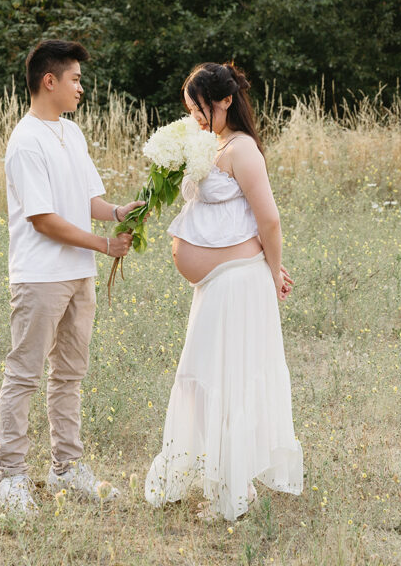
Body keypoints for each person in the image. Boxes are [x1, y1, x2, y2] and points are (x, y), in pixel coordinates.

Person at [145, 62, 303, 521]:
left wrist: (273, 271)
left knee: (226, 380)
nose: (194, 115)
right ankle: (209, 474)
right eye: (191, 108)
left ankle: (235, 491)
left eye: (201, 107)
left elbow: (268, 219)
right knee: (202, 378)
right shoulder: (211, 144)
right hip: (215, 284)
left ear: (226, 101)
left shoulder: (242, 149)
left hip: (238, 282)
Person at [0, 39, 140, 516]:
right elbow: (43, 218)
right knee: (24, 375)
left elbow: (89, 201)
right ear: (48, 81)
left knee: (70, 375)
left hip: (80, 274)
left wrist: (119, 212)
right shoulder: (25, 140)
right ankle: (11, 477)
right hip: (40, 277)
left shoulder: (71, 133)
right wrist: (103, 244)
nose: (82, 86)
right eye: (75, 78)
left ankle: (68, 467)